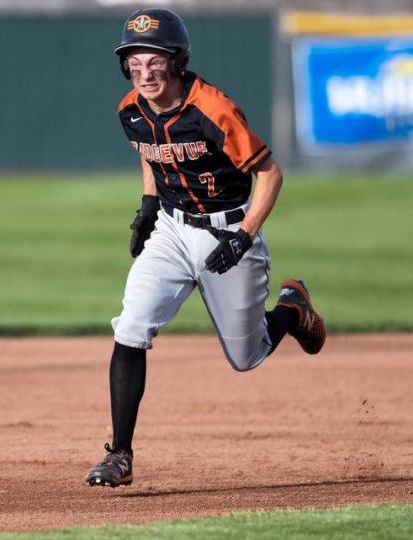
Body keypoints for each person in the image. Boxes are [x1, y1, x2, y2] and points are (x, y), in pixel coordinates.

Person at [85, 8, 326, 488]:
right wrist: (149, 205)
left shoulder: (213, 110)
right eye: (134, 62)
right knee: (131, 326)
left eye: (154, 62)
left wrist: (245, 234)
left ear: (176, 61)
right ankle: (120, 454)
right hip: (172, 231)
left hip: (228, 228)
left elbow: (269, 172)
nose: (144, 72)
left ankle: (292, 310)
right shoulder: (129, 109)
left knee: (247, 357)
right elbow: (151, 153)